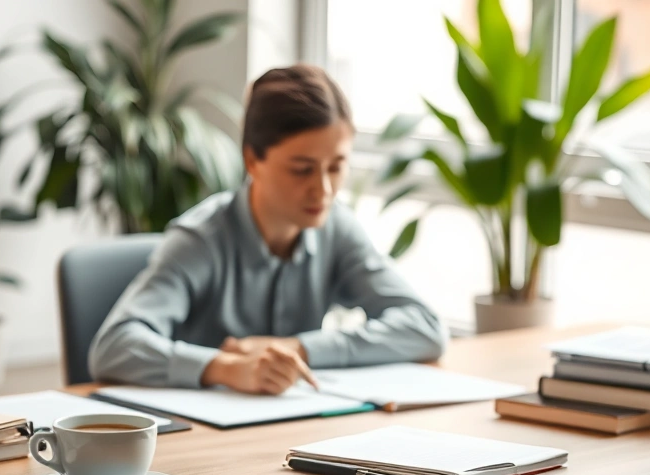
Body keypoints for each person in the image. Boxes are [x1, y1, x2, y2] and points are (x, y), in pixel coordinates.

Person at [88, 64, 447, 395]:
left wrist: (299, 348)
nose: (323, 189)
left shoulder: (336, 227)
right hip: (200, 443)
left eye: (336, 167)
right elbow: (114, 347)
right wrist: (225, 368)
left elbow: (424, 328)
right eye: (302, 169)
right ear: (252, 160)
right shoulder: (201, 240)